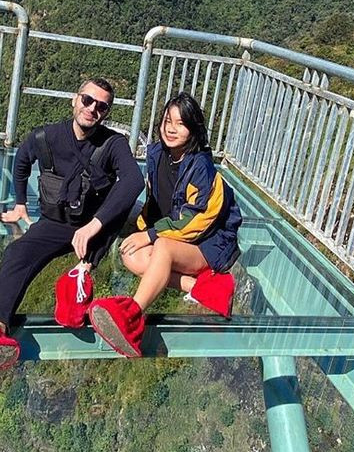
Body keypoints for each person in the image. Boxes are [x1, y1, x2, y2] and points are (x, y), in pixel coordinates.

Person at [0, 77, 144, 378]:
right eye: (87, 100)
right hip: (56, 222)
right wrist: (20, 203)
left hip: (97, 224)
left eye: (101, 106)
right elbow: (22, 161)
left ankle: (80, 284)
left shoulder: (113, 144)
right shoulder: (46, 137)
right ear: (75, 99)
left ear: (106, 113)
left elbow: (134, 181)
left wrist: (94, 225)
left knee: (77, 281)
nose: (92, 109)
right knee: (18, 254)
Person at [87, 91, 242, 358]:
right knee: (130, 255)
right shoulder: (158, 153)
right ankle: (201, 287)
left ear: (193, 130)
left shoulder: (202, 169)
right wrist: (141, 228)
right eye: (167, 120)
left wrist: (149, 234)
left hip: (210, 242)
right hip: (178, 235)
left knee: (163, 249)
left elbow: (196, 221)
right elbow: (156, 199)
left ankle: (132, 317)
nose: (171, 129)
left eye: (180, 124)